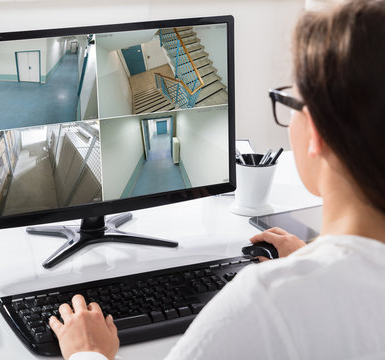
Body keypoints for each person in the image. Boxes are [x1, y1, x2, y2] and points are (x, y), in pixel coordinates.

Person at [49, 0, 385, 358]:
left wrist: (87, 351)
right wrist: (317, 264)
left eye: (291, 100)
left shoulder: (264, 302)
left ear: (316, 131)